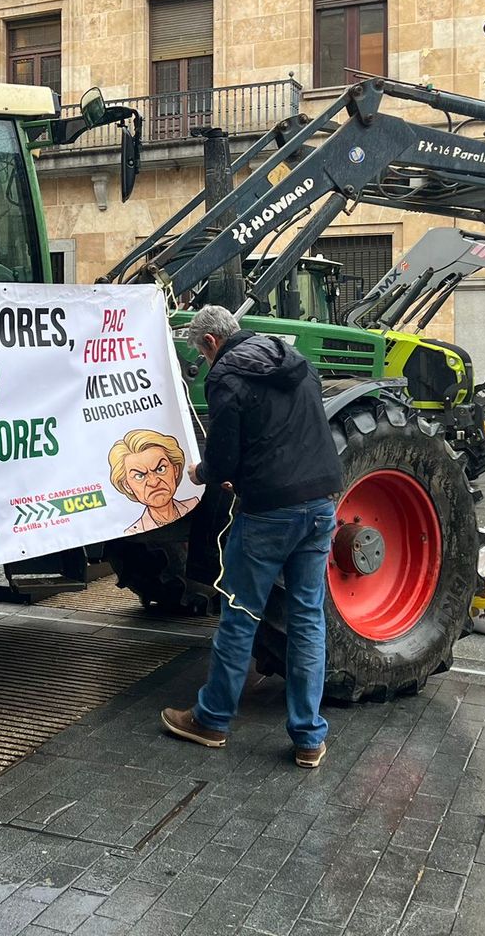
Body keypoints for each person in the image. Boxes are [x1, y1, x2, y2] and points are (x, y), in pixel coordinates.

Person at [159, 305, 342, 768]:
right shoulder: (296, 361)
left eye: (202, 352)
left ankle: (212, 720)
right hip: (321, 504)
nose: (205, 360)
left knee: (240, 614)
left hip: (269, 514)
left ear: (211, 343)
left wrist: (204, 472)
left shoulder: (227, 377)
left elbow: (222, 457)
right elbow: (291, 433)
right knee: (307, 619)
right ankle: (308, 738)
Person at [108, 429, 201, 535]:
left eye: (160, 469)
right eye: (139, 476)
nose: (153, 482)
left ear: (175, 469)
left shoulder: (196, 504)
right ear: (127, 486)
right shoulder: (133, 533)